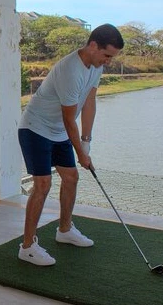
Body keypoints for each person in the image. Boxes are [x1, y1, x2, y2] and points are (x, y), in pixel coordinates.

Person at [18, 24, 124, 266]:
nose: (108, 61)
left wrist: (86, 143)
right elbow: (69, 119)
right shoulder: (71, 70)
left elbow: (89, 102)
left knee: (71, 177)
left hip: (58, 130)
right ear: (93, 45)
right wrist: (81, 154)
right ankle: (27, 246)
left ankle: (64, 230)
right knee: (43, 184)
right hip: (35, 128)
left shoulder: (95, 66)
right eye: (107, 55)